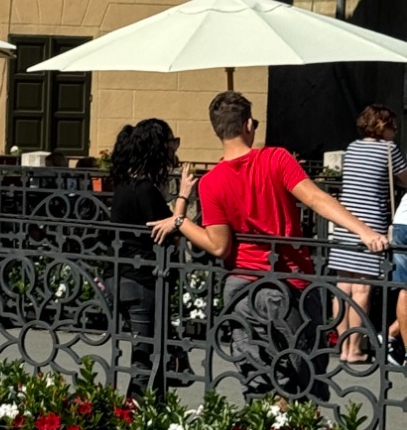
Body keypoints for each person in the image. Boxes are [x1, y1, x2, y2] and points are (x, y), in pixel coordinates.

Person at [165, 90, 388, 397]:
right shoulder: (275, 158)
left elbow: (218, 247)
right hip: (288, 283)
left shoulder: (212, 181)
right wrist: (364, 231)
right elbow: (316, 198)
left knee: (257, 379)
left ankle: (261, 425)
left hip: (241, 285)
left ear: (217, 130)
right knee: (302, 378)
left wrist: (181, 221)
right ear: (248, 125)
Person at [107, 118, 189, 388]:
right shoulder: (144, 190)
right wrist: (183, 196)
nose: (175, 148)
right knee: (146, 360)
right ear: (158, 147)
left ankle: (148, 407)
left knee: (151, 353)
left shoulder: (126, 185)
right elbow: (172, 229)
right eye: (172, 142)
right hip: (141, 280)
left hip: (125, 275)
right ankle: (135, 410)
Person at [329, 104, 407, 361]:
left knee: (343, 288)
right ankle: (355, 348)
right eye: (393, 126)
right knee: (362, 289)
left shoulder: (352, 148)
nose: (395, 131)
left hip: (346, 224)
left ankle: (342, 347)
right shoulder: (389, 150)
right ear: (382, 127)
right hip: (371, 225)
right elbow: (405, 179)